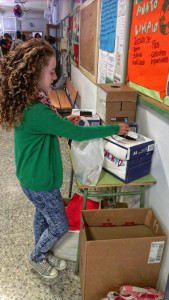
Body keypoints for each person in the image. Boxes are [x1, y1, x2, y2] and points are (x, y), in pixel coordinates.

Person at [0, 39, 129, 280]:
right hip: (40, 181)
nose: (55, 75)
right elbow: (79, 134)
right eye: (50, 71)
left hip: (31, 177)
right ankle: (37, 256)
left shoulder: (32, 102)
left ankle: (42, 251)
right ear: (34, 74)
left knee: (42, 216)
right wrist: (113, 128)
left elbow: (44, 130)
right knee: (58, 226)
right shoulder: (37, 110)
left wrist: (61, 124)